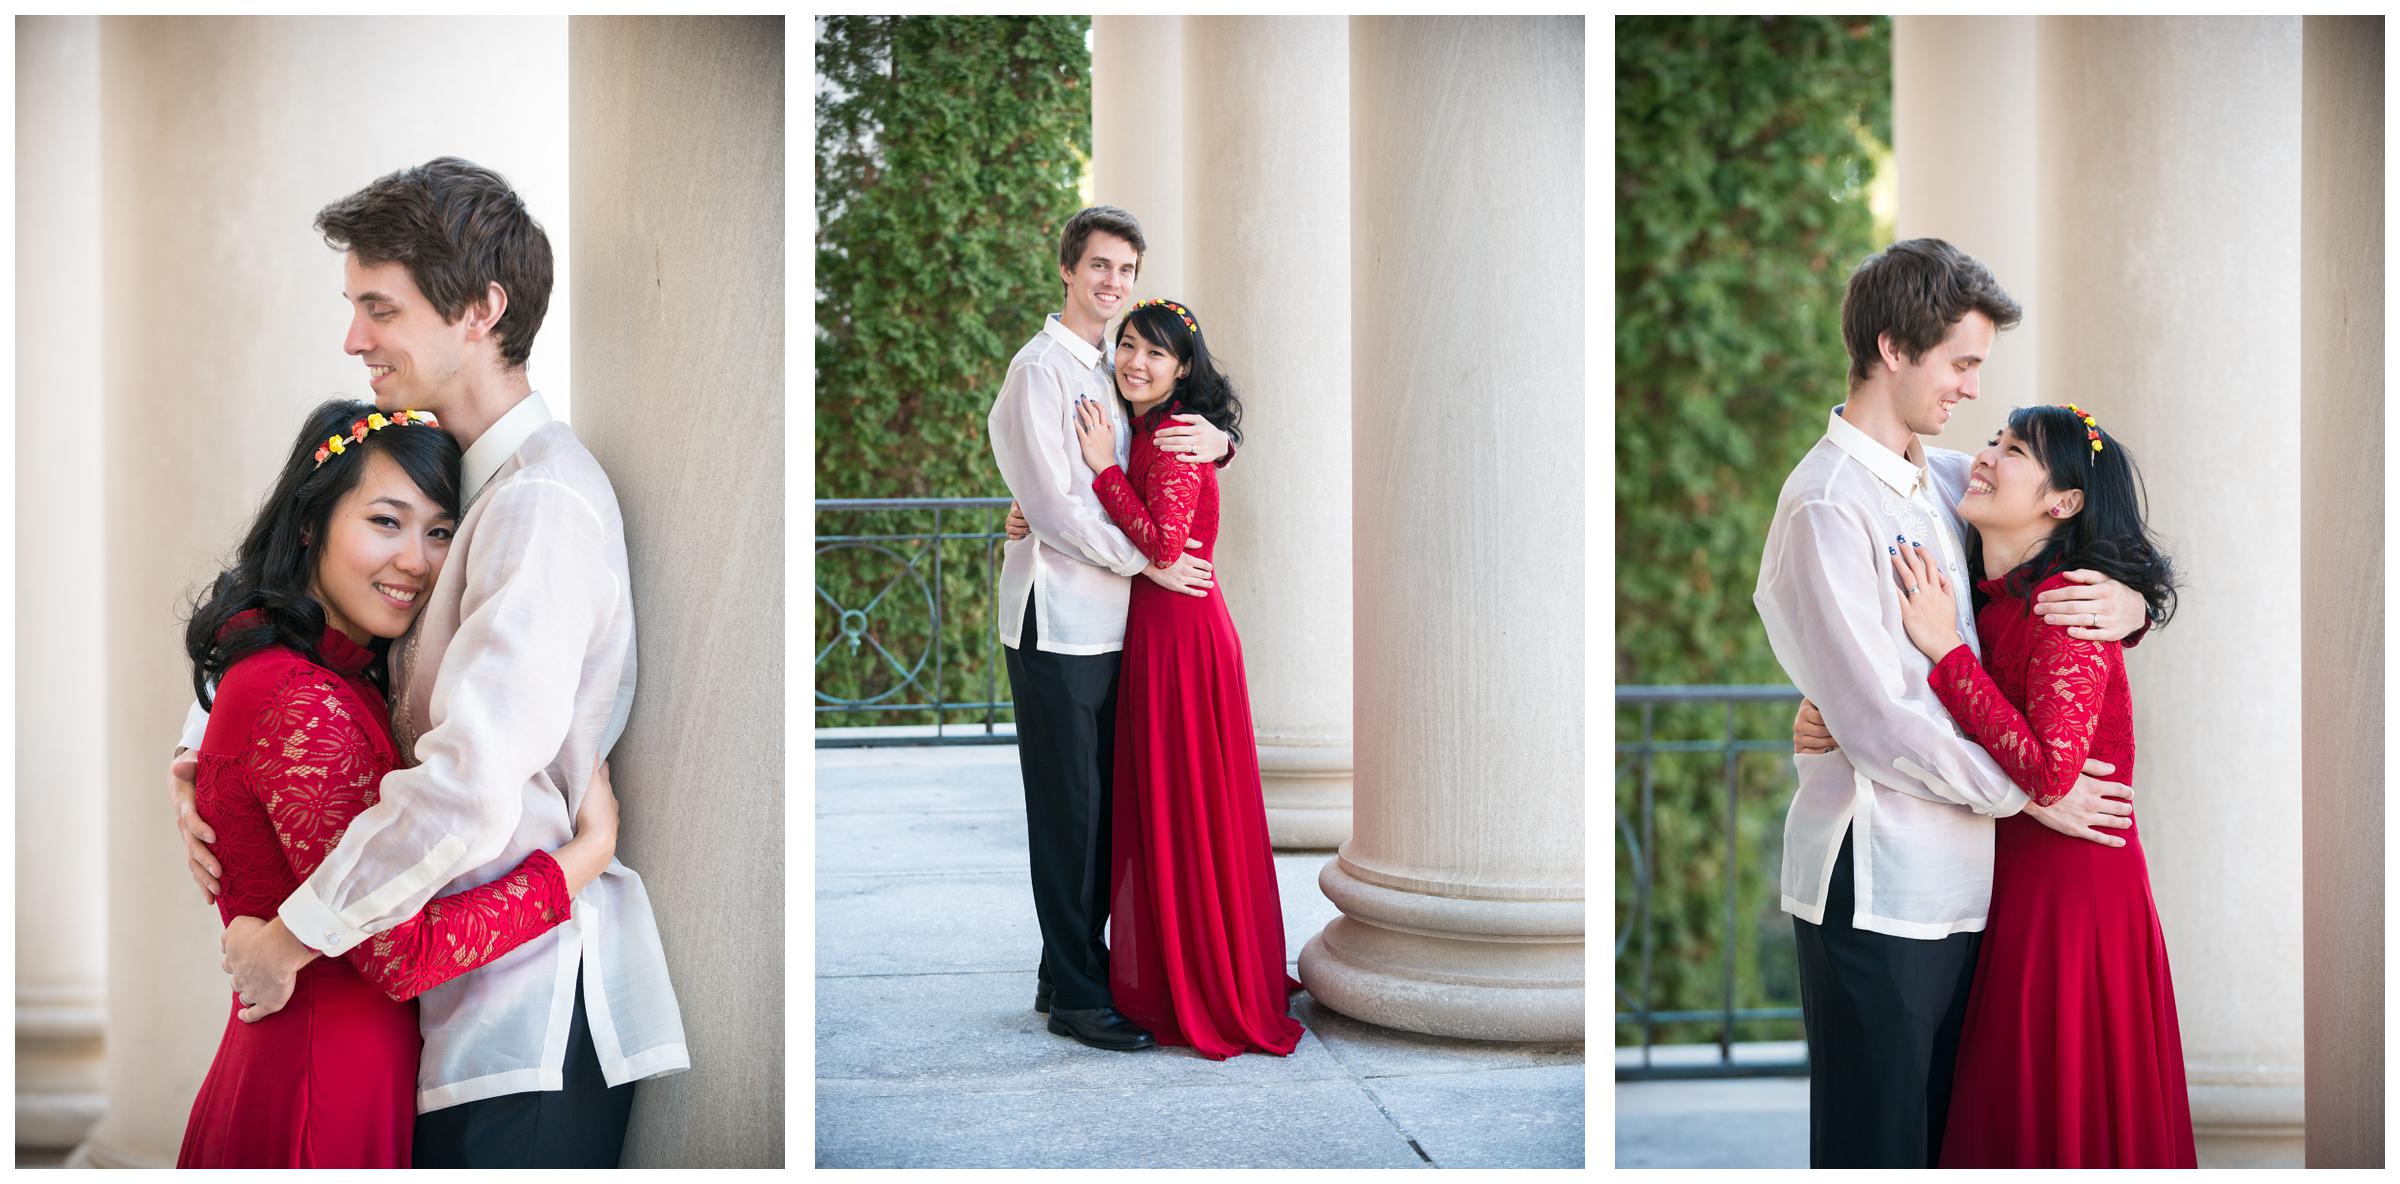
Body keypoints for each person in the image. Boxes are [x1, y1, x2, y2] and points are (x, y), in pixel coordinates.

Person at [168, 158, 686, 1167]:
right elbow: (315, 640)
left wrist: (293, 935)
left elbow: (468, 785)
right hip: (453, 1014)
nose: (354, 337)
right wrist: (201, 757)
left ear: (480, 310)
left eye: (380, 307)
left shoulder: (539, 504)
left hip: (523, 1017)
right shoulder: (465, 494)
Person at [1752, 238, 2154, 1168]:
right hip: (1878, 883)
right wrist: (2035, 790)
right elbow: (1885, 724)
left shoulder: (1936, 477)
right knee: (1879, 1149)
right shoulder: (1826, 507)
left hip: (1968, 886)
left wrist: (2130, 606)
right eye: (1962, 362)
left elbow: (2062, 514)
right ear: (1894, 348)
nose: (1975, 390)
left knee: (1945, 1148)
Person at [175, 401, 621, 1168]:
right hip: (318, 1080)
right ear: (310, 524)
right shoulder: (295, 696)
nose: (416, 560)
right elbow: (400, 955)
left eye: (440, 531)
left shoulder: (334, 678)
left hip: (346, 1064)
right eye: (386, 521)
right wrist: (587, 857)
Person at [1887, 403, 2195, 1167]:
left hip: (2072, 897)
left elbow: (2053, 773)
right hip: (2017, 879)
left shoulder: (2062, 609)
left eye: (2014, 449)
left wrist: (1945, 651)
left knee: (2057, 1111)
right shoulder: (1991, 590)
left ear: (2063, 503)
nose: (1986, 455)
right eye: (1993, 438)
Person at [985, 206, 1234, 1051]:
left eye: (1125, 270)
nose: (1112, 283)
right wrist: (1150, 563)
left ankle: (1068, 973)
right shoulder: (1038, 371)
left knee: (1099, 818)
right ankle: (1081, 998)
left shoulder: (1106, 368)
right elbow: (1055, 505)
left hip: (1113, 629)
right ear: (1068, 268)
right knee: (1068, 817)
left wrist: (1221, 440)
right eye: (1099, 266)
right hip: (1056, 625)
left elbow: (1145, 459)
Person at [1070, 298, 1304, 1059]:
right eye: (1129, 346)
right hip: (1166, 634)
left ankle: (1199, 978)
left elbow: (1164, 543)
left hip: (1183, 640)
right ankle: (1185, 964)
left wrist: (1105, 469)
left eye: (1156, 355)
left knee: (1187, 807)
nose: (1136, 362)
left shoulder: (1170, 438)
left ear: (1182, 369)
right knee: (1176, 808)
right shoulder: (1151, 424)